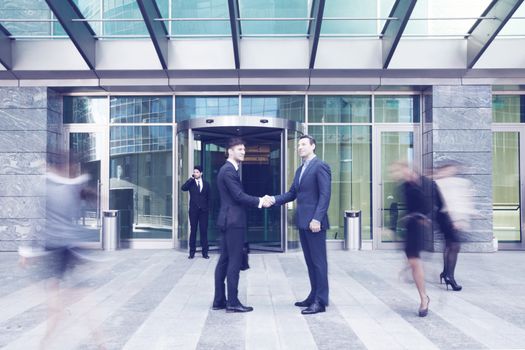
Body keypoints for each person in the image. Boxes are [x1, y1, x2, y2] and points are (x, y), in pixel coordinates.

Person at [267, 135, 331, 315]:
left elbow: (325, 195)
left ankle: (321, 301)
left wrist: (317, 218)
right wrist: (273, 199)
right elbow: (291, 194)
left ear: (313, 146)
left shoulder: (320, 166)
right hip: (303, 222)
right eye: (298, 145)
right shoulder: (300, 170)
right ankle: (313, 295)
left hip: (315, 223)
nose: (300, 148)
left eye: (303, 144)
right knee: (310, 263)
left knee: (319, 263)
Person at [212, 137, 272, 313]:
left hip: (227, 220)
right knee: (234, 261)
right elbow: (238, 196)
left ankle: (219, 300)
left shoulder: (230, 169)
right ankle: (232, 302)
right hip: (233, 222)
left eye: (244, 149)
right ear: (229, 151)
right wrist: (261, 201)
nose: (243, 152)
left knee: (223, 260)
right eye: (239, 149)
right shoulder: (229, 171)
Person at [390, 161, 431, 317]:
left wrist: (422, 217)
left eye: (399, 171)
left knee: (415, 262)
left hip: (420, 228)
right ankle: (423, 296)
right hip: (410, 228)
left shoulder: (424, 183)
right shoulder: (404, 187)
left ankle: (424, 299)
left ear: (409, 169)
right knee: (414, 263)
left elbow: (430, 205)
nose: (397, 175)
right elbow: (406, 208)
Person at [434, 161, 475, 291]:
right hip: (447, 218)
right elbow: (450, 203)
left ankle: (446, 273)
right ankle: (449, 277)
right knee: (455, 245)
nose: (452, 172)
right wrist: (456, 220)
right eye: (449, 169)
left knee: (449, 244)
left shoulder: (447, 183)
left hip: (445, 218)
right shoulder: (441, 184)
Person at [181, 165, 210, 259]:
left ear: (201, 173)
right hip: (193, 211)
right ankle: (192, 252)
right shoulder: (191, 183)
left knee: (203, 231)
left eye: (197, 172)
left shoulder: (206, 184)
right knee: (193, 231)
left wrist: (207, 209)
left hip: (203, 212)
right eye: (194, 172)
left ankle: (205, 253)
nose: (195, 173)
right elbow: (183, 188)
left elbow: (209, 198)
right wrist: (190, 179)